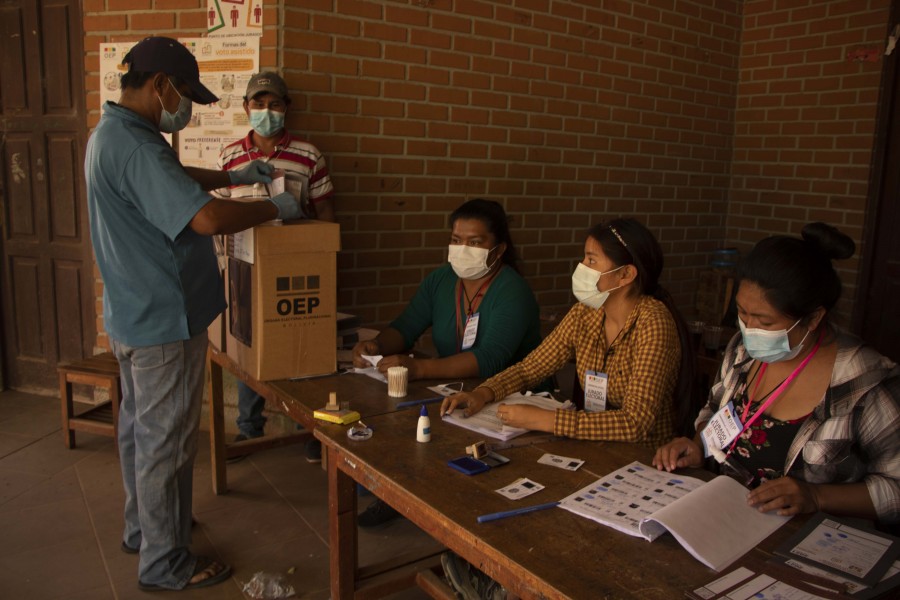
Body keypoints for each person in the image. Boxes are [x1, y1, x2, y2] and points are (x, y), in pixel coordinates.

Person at [85, 37, 304, 591]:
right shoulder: (136, 146)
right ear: (161, 86)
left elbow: (175, 180)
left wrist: (237, 176)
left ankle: (147, 529)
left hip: (133, 314)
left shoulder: (116, 135)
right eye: (183, 94)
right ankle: (165, 563)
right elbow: (204, 220)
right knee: (166, 442)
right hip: (163, 320)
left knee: (140, 433)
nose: (185, 108)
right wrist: (270, 205)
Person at [653, 223, 899, 527]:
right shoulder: (742, 351)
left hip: (805, 540)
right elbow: (716, 409)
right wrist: (698, 446)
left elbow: (895, 488)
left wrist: (816, 497)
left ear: (813, 318)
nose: (749, 329)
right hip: (721, 519)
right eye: (743, 313)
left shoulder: (865, 380)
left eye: (765, 322)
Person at [351, 198, 544, 526]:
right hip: (457, 388)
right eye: (456, 240)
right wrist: (377, 344)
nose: (462, 249)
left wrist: (420, 368)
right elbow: (407, 326)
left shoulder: (512, 290)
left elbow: (490, 359)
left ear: (498, 249)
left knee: (430, 428)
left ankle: (426, 503)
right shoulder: (441, 280)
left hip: (511, 399)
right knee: (397, 413)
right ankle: (400, 494)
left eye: (475, 242)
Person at [440, 218, 695, 449]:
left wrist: (546, 420)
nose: (582, 267)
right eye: (584, 258)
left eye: (592, 260)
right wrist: (483, 394)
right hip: (594, 447)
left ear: (626, 274)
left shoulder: (653, 322)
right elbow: (530, 369)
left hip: (644, 457)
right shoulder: (585, 313)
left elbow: (635, 423)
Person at [218, 71, 335, 462]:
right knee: (246, 344)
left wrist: (326, 255)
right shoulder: (231, 155)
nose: (266, 111)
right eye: (259, 104)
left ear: (286, 109)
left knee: (299, 345)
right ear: (246, 107)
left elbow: (325, 212)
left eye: (275, 104)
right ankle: (250, 429)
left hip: (293, 265)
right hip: (245, 265)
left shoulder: (307, 154)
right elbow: (217, 211)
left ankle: (309, 430)